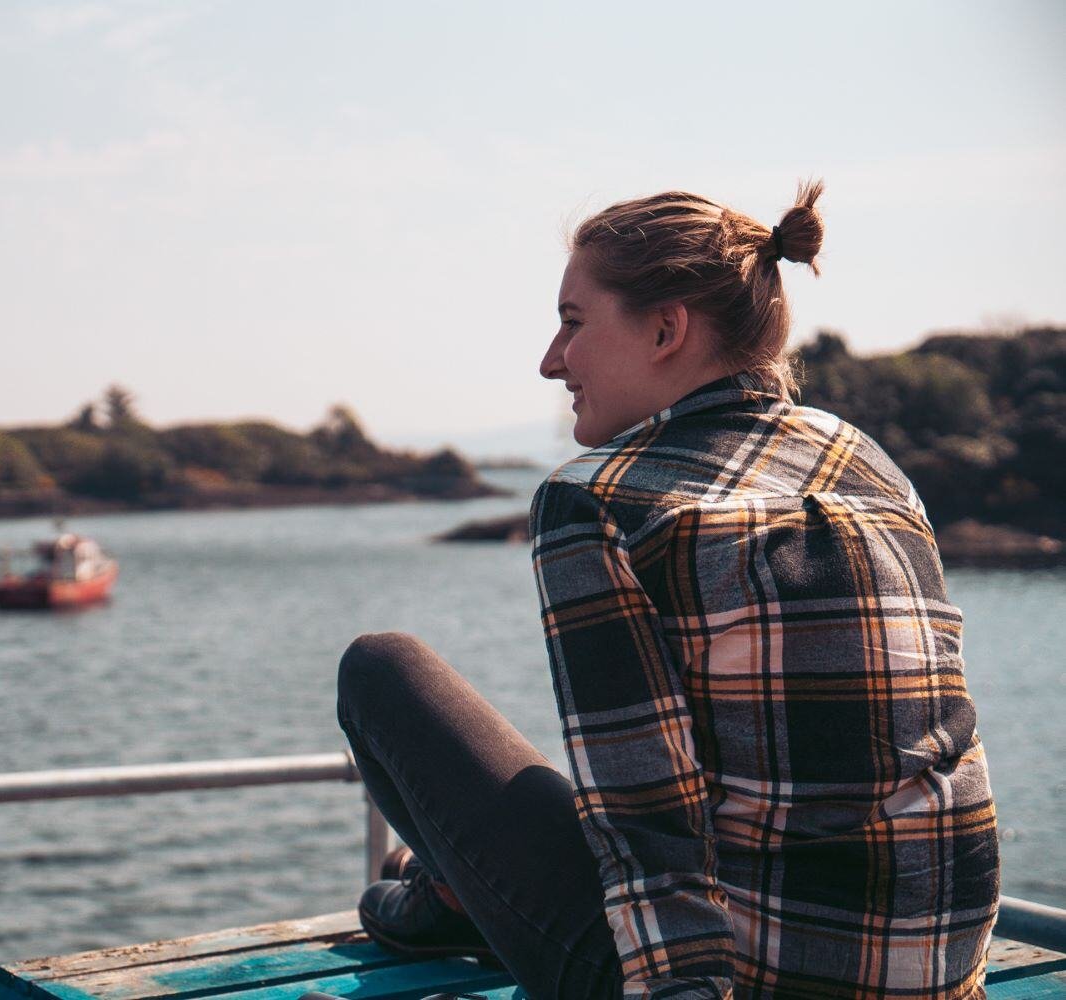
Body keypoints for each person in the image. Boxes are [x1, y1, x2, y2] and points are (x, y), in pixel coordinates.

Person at [337, 181, 1000, 999]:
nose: (550, 360)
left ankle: (448, 890)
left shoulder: (599, 499)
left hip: (737, 982)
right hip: (939, 979)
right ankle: (449, 889)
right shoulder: (863, 461)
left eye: (572, 323)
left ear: (664, 328)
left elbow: (647, 821)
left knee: (381, 670)